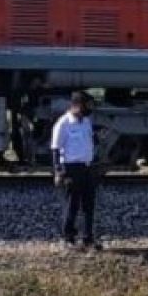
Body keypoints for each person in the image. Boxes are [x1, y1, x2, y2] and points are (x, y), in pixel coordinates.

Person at [51, 91, 100, 250]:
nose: (89, 109)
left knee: (89, 205)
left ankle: (88, 238)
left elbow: (90, 140)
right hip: (71, 169)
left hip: (87, 167)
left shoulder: (86, 121)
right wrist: (58, 171)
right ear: (77, 106)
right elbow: (56, 149)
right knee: (72, 205)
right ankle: (68, 237)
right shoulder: (63, 123)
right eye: (87, 105)